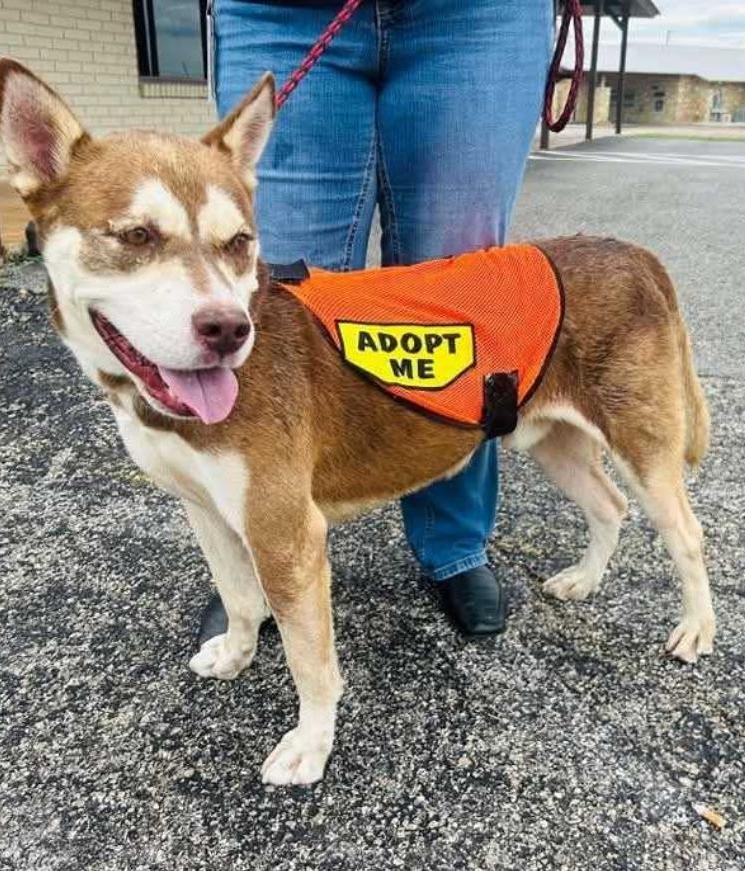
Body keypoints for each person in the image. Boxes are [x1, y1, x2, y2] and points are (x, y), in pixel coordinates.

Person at [198, 0, 551, 644]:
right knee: (278, 304)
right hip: (282, 13)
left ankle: (454, 542)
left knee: (462, 311)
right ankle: (260, 561)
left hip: (476, 18)